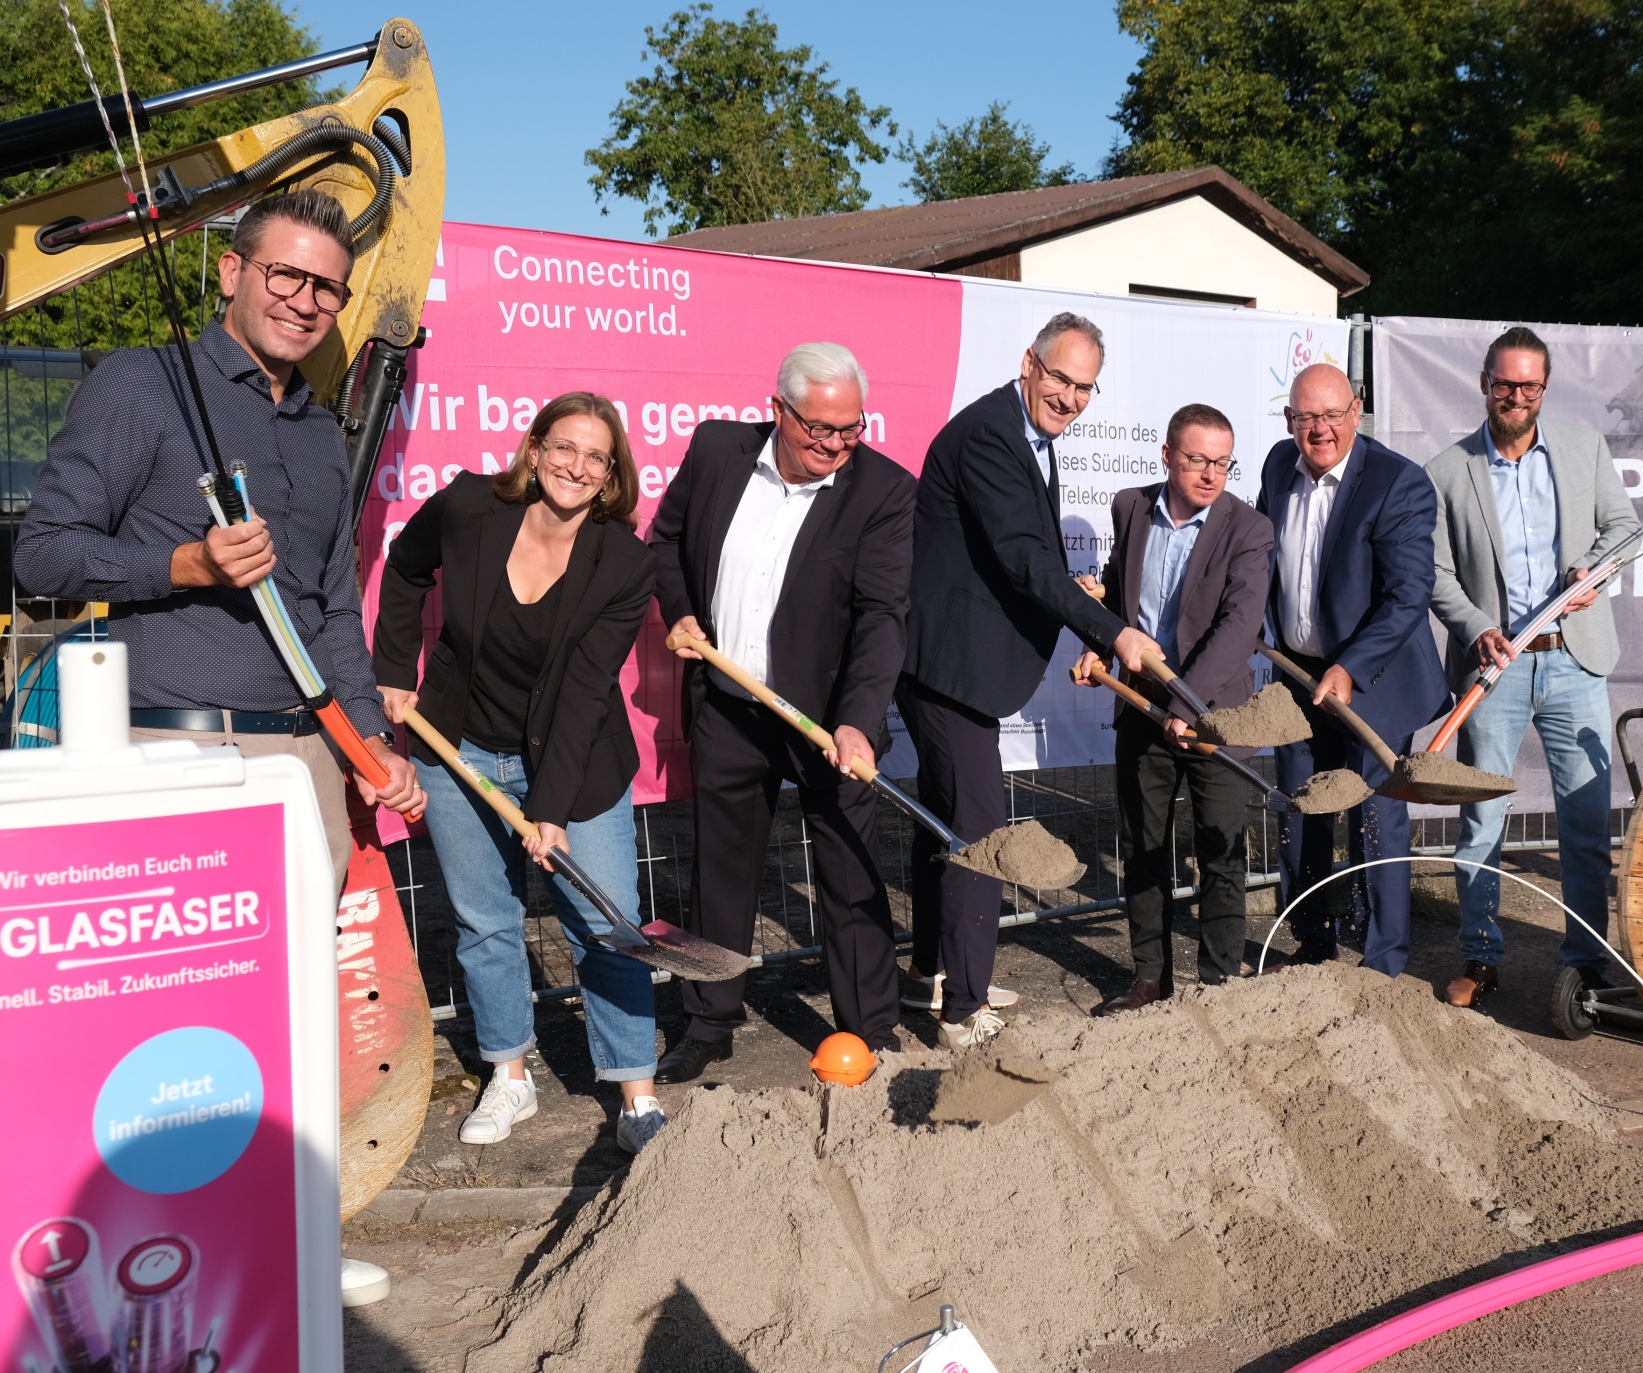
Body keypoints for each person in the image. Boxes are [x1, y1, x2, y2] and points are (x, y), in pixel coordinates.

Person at [14, 189, 423, 891]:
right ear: (233, 272)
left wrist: (370, 741)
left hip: (310, 763)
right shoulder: (142, 382)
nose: (303, 301)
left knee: (301, 991)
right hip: (179, 749)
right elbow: (42, 551)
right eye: (284, 275)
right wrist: (187, 564)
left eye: (327, 289)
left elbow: (332, 608)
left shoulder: (321, 430)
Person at [373, 393, 666, 1153]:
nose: (575, 466)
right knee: (483, 920)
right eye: (563, 447)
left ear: (610, 477)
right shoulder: (472, 505)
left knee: (606, 924)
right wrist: (393, 670)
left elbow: (583, 692)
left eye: (595, 457)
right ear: (534, 450)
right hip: (458, 746)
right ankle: (510, 1075)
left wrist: (553, 808)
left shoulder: (626, 563)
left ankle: (637, 1093)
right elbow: (405, 569)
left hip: (577, 762)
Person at [650, 343, 915, 1083]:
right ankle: (707, 1019)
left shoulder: (884, 491)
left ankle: (871, 1027)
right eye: (819, 429)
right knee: (718, 869)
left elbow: (882, 616)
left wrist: (859, 719)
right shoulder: (715, 449)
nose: (835, 445)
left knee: (850, 868)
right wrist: (678, 612)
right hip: (730, 701)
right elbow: (665, 541)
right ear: (778, 410)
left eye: (851, 429)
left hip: (829, 718)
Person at [897, 312, 1160, 1049]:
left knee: (945, 822)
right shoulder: (990, 433)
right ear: (1028, 365)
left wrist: (1070, 590)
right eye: (1060, 378)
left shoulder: (1025, 435)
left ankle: (929, 970)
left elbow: (1013, 551)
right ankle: (964, 1006)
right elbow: (1020, 559)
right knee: (980, 831)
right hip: (949, 670)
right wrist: (1111, 631)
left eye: (1085, 387)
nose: (1070, 397)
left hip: (957, 664)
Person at [1427, 326, 1639, 1008]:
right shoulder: (1448, 470)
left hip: (1575, 660)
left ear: (1543, 388)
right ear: (1484, 383)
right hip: (1495, 669)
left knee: (1583, 822)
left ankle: (1585, 963)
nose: (1516, 396)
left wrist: (1596, 572)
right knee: (1482, 819)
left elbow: (1625, 528)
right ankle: (1481, 956)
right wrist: (1475, 626)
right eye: (1504, 383)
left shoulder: (1583, 449)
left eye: (1529, 385)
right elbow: (1434, 571)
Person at [1070, 404, 1274, 1013]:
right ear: (1167, 455)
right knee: (1143, 846)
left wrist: (1189, 700)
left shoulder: (1249, 529)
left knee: (1220, 848)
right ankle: (1149, 981)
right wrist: (1097, 643)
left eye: (1221, 462)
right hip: (1141, 710)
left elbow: (1240, 626)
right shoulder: (1131, 507)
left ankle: (1218, 985)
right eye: (1196, 460)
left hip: (1215, 714)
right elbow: (1117, 590)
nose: (1210, 474)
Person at [1259, 363, 1449, 978]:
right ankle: (1312, 943)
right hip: (1297, 676)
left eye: (1333, 415)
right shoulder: (1274, 468)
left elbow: (1408, 595)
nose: (1321, 430)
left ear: (1356, 411)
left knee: (1375, 816)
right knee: (1303, 806)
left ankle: (1382, 961)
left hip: (1374, 680)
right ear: (1290, 421)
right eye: (1307, 418)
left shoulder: (1398, 482)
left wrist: (1349, 665)